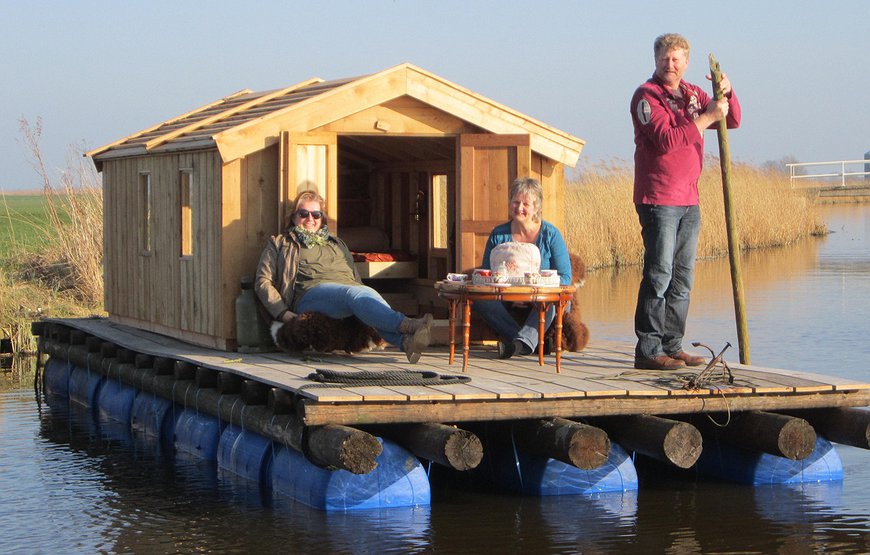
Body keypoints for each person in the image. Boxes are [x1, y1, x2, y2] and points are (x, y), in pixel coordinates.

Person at [630, 33, 741, 371]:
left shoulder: (693, 94)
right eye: (665, 58)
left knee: (683, 278)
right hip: (658, 198)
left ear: (686, 62)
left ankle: (672, 345)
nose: (670, 64)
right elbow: (666, 140)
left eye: (676, 58)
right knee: (659, 275)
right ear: (655, 59)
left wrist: (727, 93)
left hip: (689, 200)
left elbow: (732, 119)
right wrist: (707, 117)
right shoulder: (646, 97)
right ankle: (648, 350)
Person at [254, 190, 433, 363]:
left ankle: (406, 342)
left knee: (363, 292)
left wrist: (363, 306)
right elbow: (262, 282)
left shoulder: (337, 243)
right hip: (309, 294)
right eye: (304, 213)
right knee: (353, 293)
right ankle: (408, 325)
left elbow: (354, 278)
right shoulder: (281, 244)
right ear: (293, 216)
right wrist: (283, 313)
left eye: (316, 214)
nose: (310, 219)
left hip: (347, 291)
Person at [473, 177, 572, 359]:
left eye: (525, 204)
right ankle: (528, 344)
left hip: (542, 299)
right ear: (509, 203)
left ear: (536, 207)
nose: (519, 208)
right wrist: (511, 298)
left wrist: (533, 292)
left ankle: (518, 345)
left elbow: (566, 277)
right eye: (515, 202)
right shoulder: (498, 235)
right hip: (506, 298)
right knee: (480, 301)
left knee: (552, 302)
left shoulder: (551, 235)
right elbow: (486, 276)